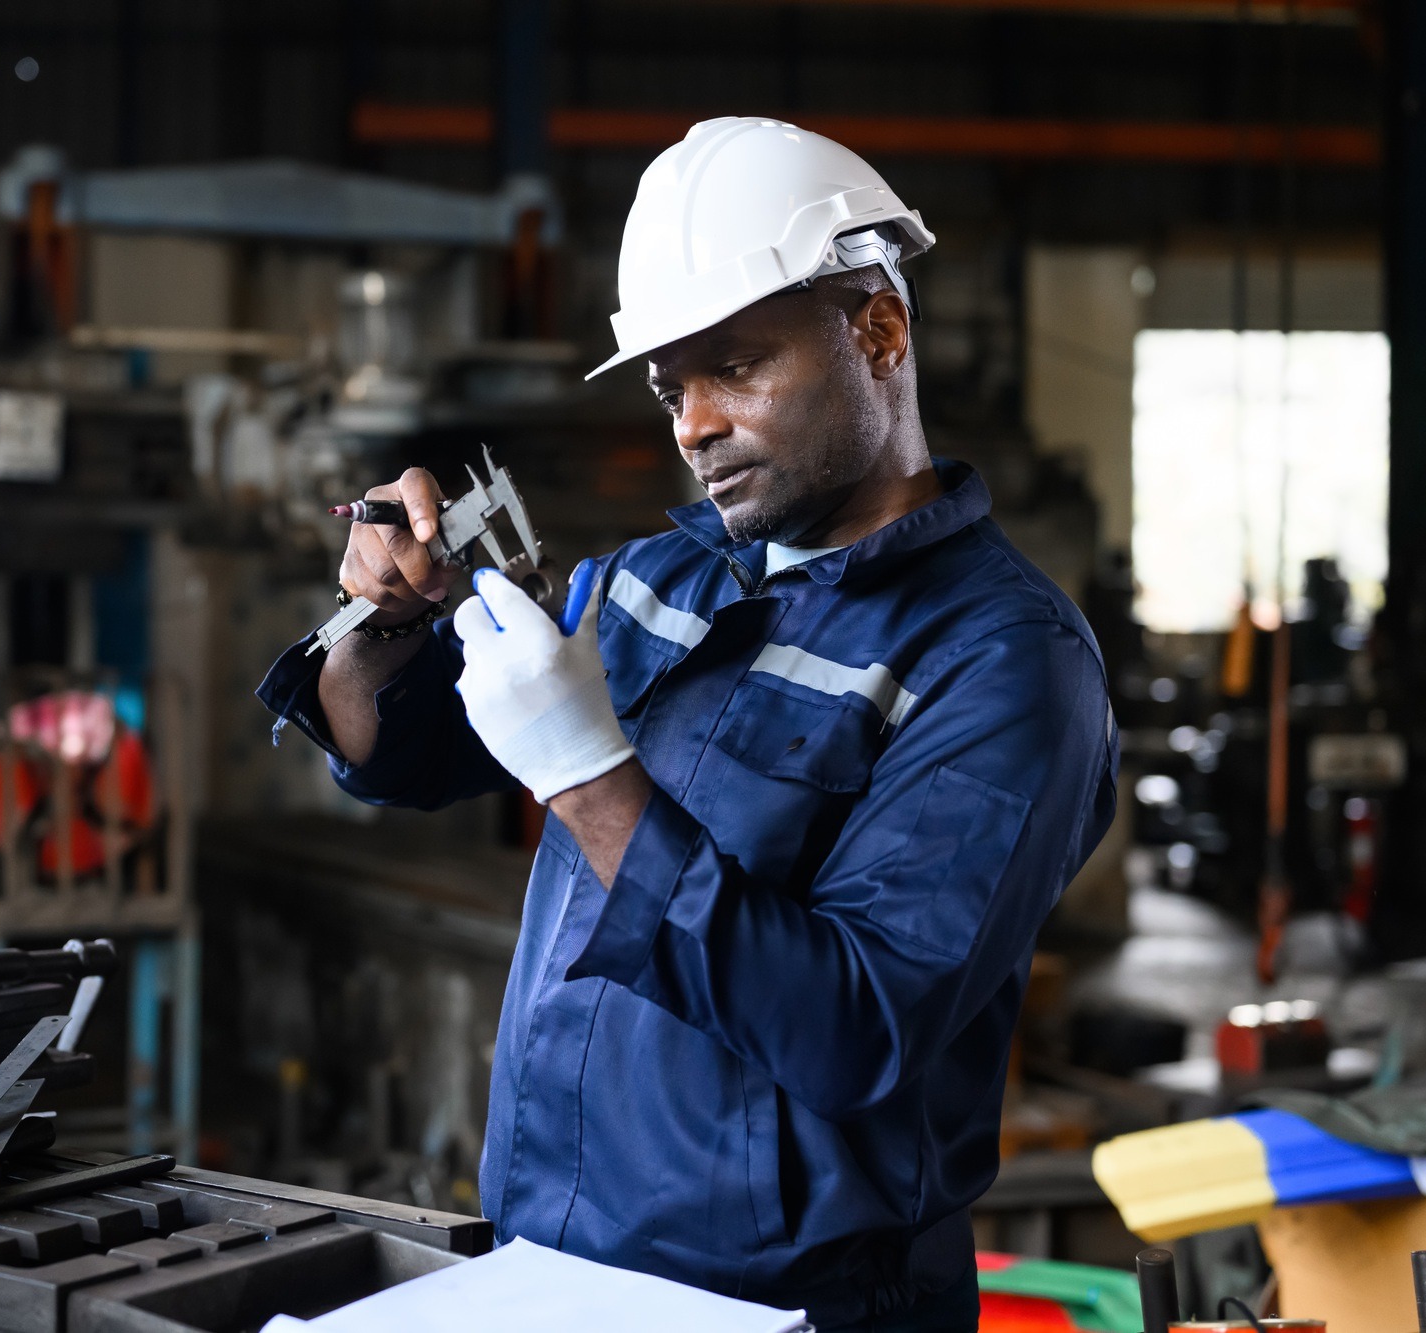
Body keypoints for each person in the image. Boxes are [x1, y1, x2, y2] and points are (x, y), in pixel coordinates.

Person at [258, 118, 1117, 1330]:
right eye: (671, 387)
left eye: (736, 369)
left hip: (788, 1309)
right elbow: (397, 752)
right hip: (553, 1262)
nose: (691, 425)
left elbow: (853, 1027)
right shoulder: (664, 578)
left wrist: (585, 775)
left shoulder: (1003, 663)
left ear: (877, 329)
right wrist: (386, 614)